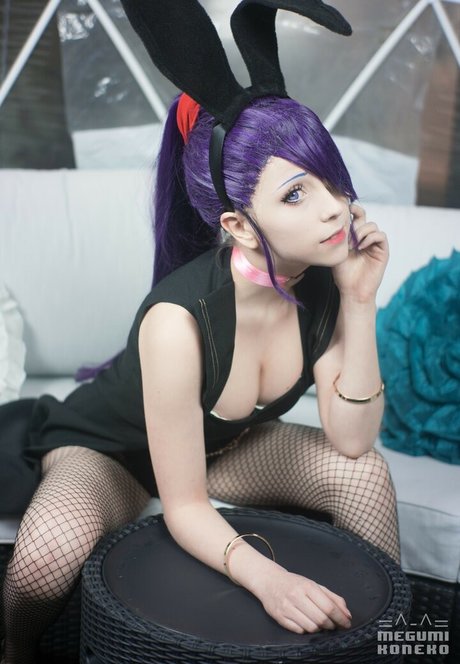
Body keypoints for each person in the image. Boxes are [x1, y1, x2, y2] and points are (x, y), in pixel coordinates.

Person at [1, 2, 400, 662]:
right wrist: (269, 579)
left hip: (225, 452)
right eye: (296, 194)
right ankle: (14, 649)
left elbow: (353, 441)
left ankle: (382, 646)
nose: (335, 208)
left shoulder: (329, 281)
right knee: (45, 556)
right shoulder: (177, 320)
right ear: (238, 225)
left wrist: (360, 303)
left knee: (364, 476)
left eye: (331, 180)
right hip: (112, 456)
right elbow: (184, 506)